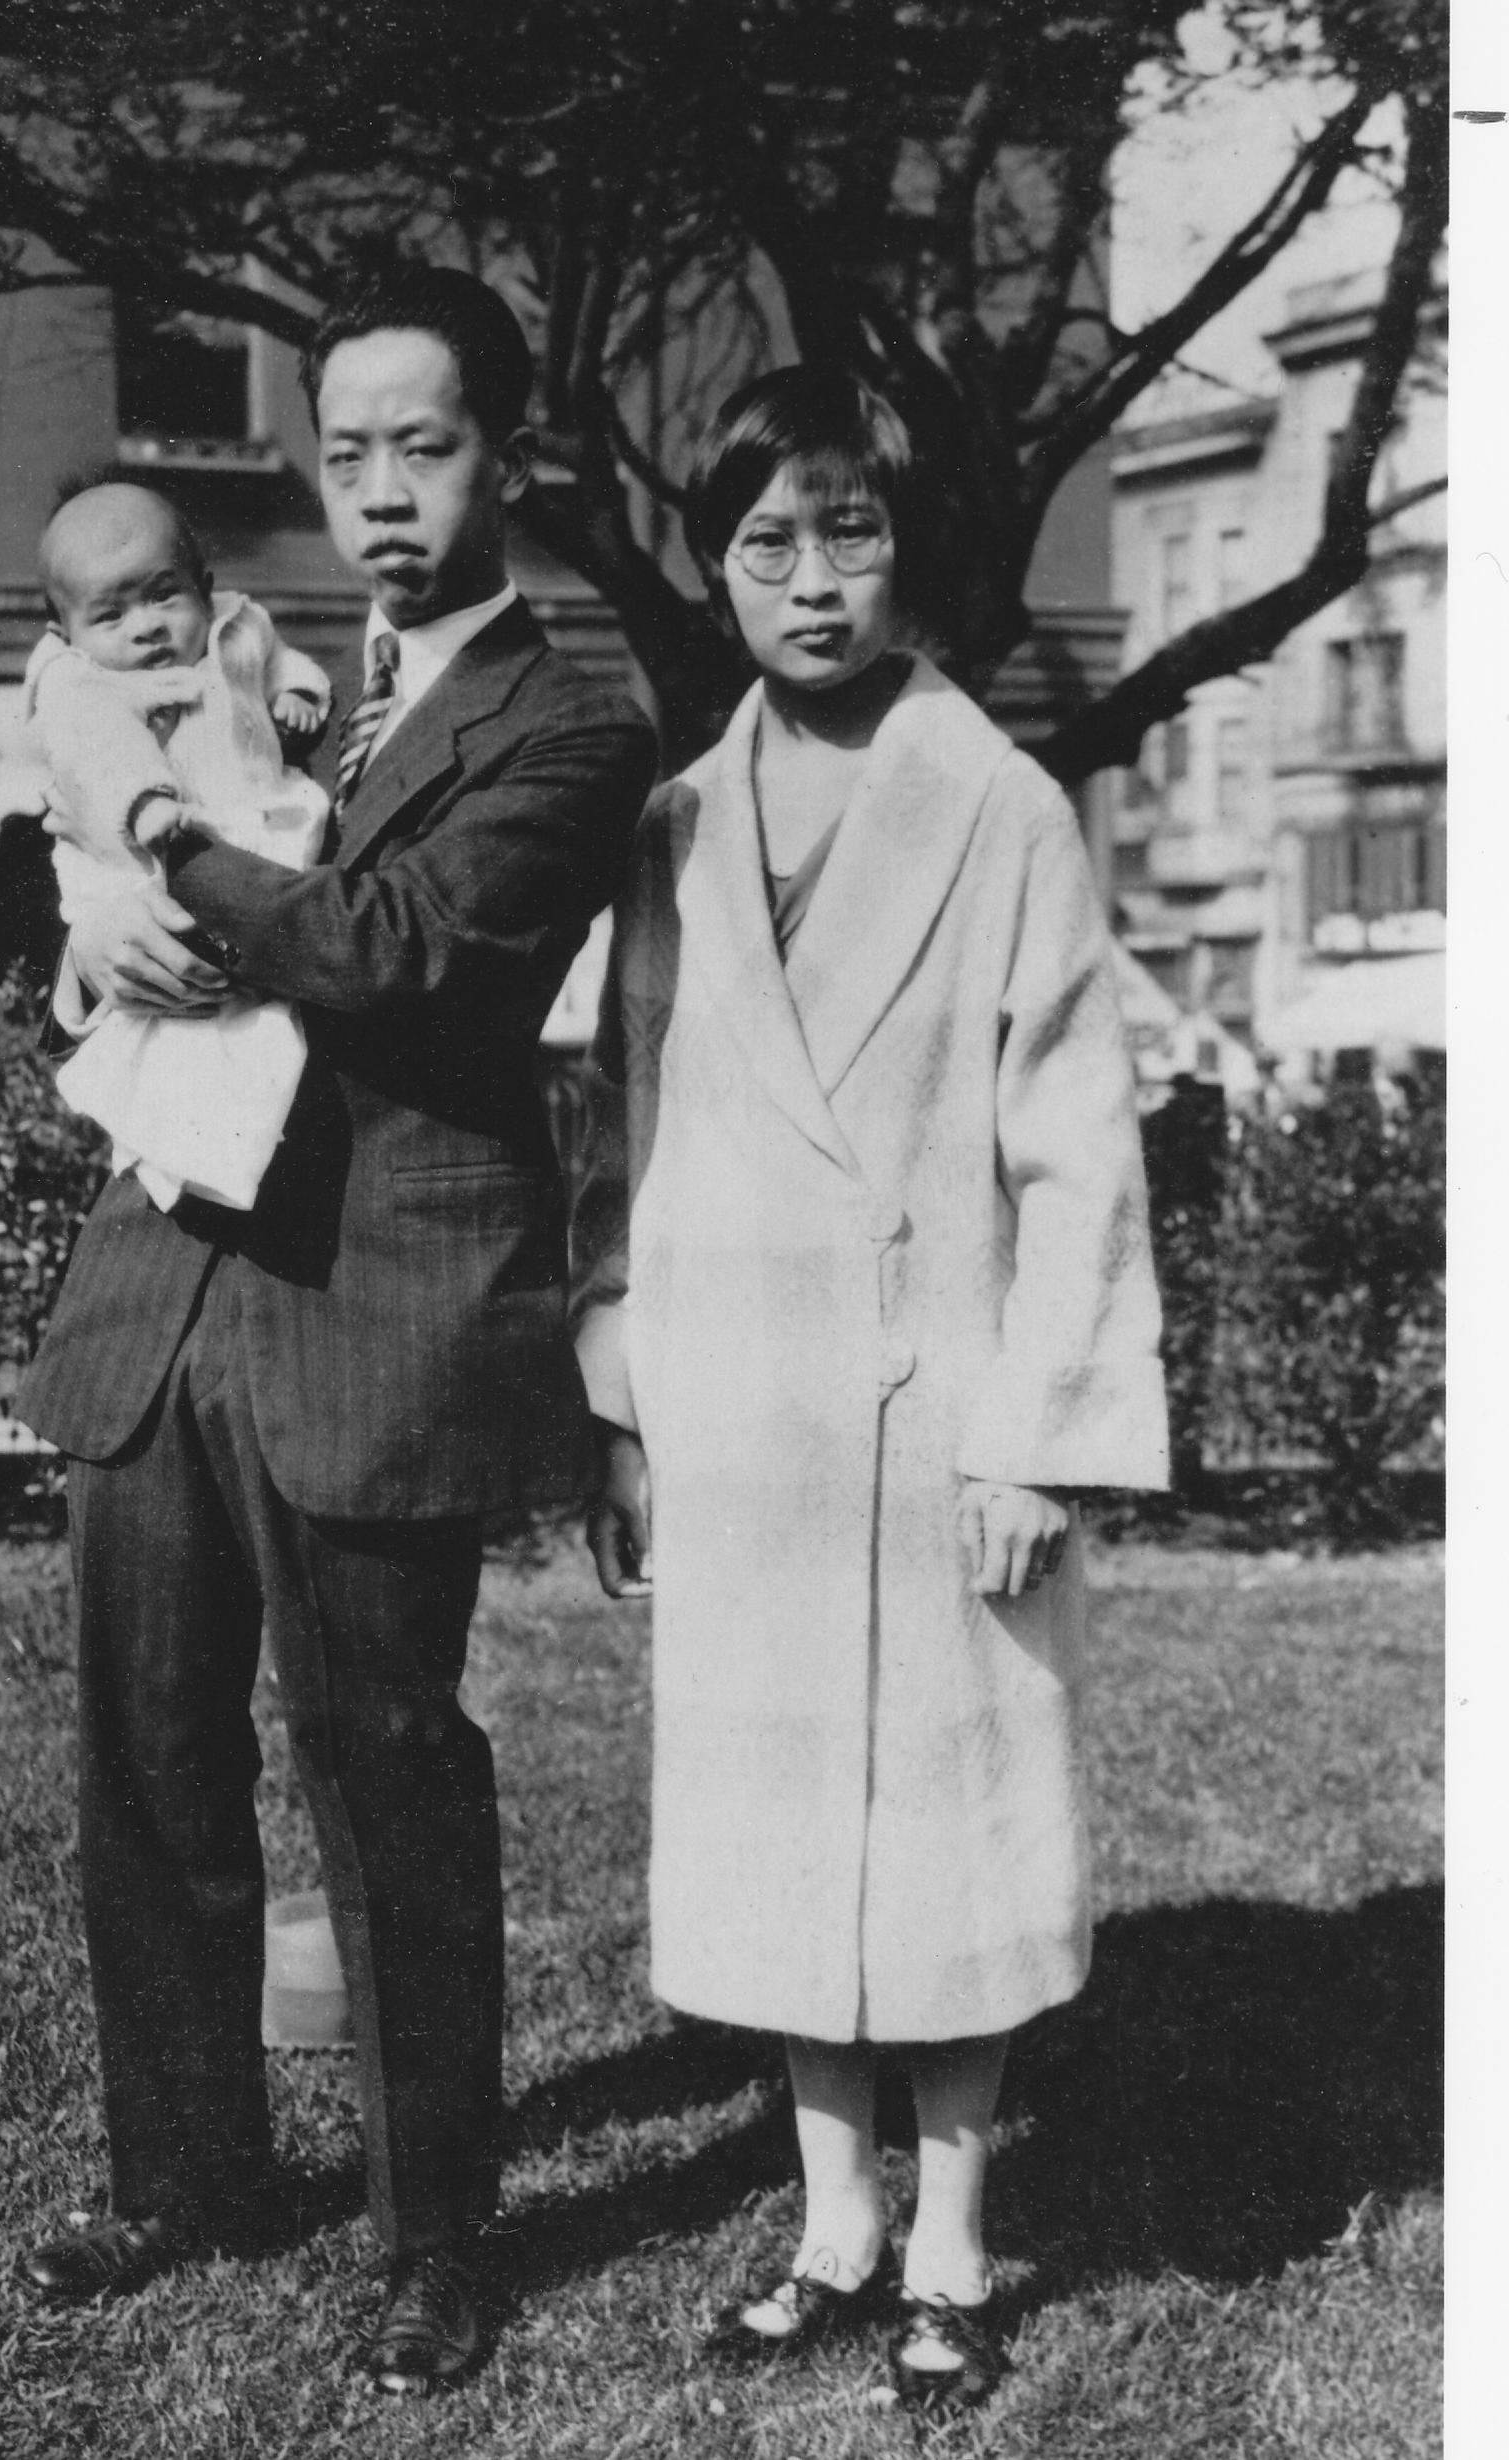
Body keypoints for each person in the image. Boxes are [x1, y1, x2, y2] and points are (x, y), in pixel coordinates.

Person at [15, 266, 656, 2395]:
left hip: (372, 1301)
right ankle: (188, 2172)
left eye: (432, 446)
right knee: (148, 1754)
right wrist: (87, 921)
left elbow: (392, 952)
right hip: (164, 1276)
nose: (383, 490)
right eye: (350, 448)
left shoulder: (569, 720)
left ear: (513, 458)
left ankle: (433, 2229)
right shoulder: (258, 669)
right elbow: (98, 909)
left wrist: (158, 840)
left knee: (384, 1768)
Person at [574, 365, 1168, 2412]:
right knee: (774, 1835)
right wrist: (631, 1399)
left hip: (941, 1415)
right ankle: (831, 2220)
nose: (812, 583)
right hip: (751, 1415)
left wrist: (1039, 1437)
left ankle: (958, 2239)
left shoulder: (997, 806)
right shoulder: (674, 823)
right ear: (714, 566)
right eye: (766, 543)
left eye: (851, 535)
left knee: (947, 1833)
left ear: (908, 553)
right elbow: (624, 1129)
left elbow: (1078, 1141)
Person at [27, 478, 333, 1210]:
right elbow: (101, 753)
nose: (146, 627)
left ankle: (225, 1142)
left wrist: (300, 698)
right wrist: (147, 801)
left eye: (165, 596)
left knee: (235, 1021)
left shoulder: (239, 628)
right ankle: (185, 1155)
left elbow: (283, 663)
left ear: (208, 588)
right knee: (171, 1034)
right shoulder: (76, 684)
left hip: (257, 832)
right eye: (110, 614)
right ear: (64, 632)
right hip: (141, 849)